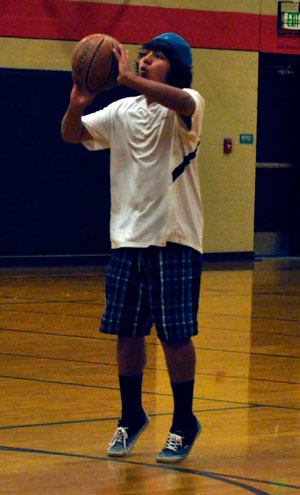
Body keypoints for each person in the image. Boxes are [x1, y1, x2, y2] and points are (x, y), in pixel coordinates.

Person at [61, 32, 205, 463]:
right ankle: (131, 415)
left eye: (156, 58)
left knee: (175, 335)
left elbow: (180, 102)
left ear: (175, 67)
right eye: (142, 56)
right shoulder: (121, 110)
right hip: (126, 238)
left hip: (173, 236)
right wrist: (77, 103)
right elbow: (72, 136)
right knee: (126, 333)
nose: (144, 61)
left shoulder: (188, 102)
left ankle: (183, 422)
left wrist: (124, 77)